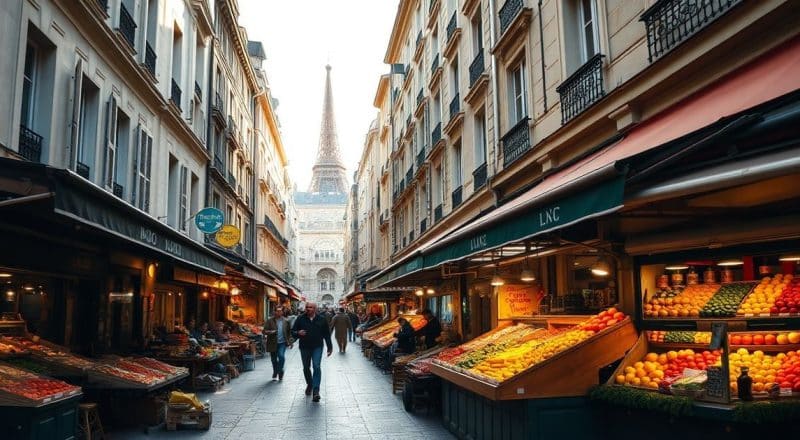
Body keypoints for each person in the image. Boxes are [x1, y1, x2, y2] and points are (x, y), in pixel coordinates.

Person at [291, 302, 333, 402]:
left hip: (317, 346)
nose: (308, 309)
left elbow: (326, 334)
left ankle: (316, 390)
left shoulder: (321, 319)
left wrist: (329, 347)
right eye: (307, 307)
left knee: (316, 366)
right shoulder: (300, 318)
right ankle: (310, 383)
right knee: (306, 367)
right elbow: (293, 331)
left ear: (315, 309)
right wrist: (298, 333)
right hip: (304, 347)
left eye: (310, 307)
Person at [263, 307, 293, 380]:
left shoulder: (286, 321)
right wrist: (270, 332)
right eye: (277, 311)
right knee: (273, 360)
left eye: (280, 311)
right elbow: (264, 331)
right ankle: (277, 371)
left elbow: (289, 332)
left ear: (282, 312)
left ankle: (278, 371)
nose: (279, 313)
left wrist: (291, 342)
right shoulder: (270, 321)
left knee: (281, 356)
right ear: (274, 312)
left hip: (282, 343)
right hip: (272, 343)